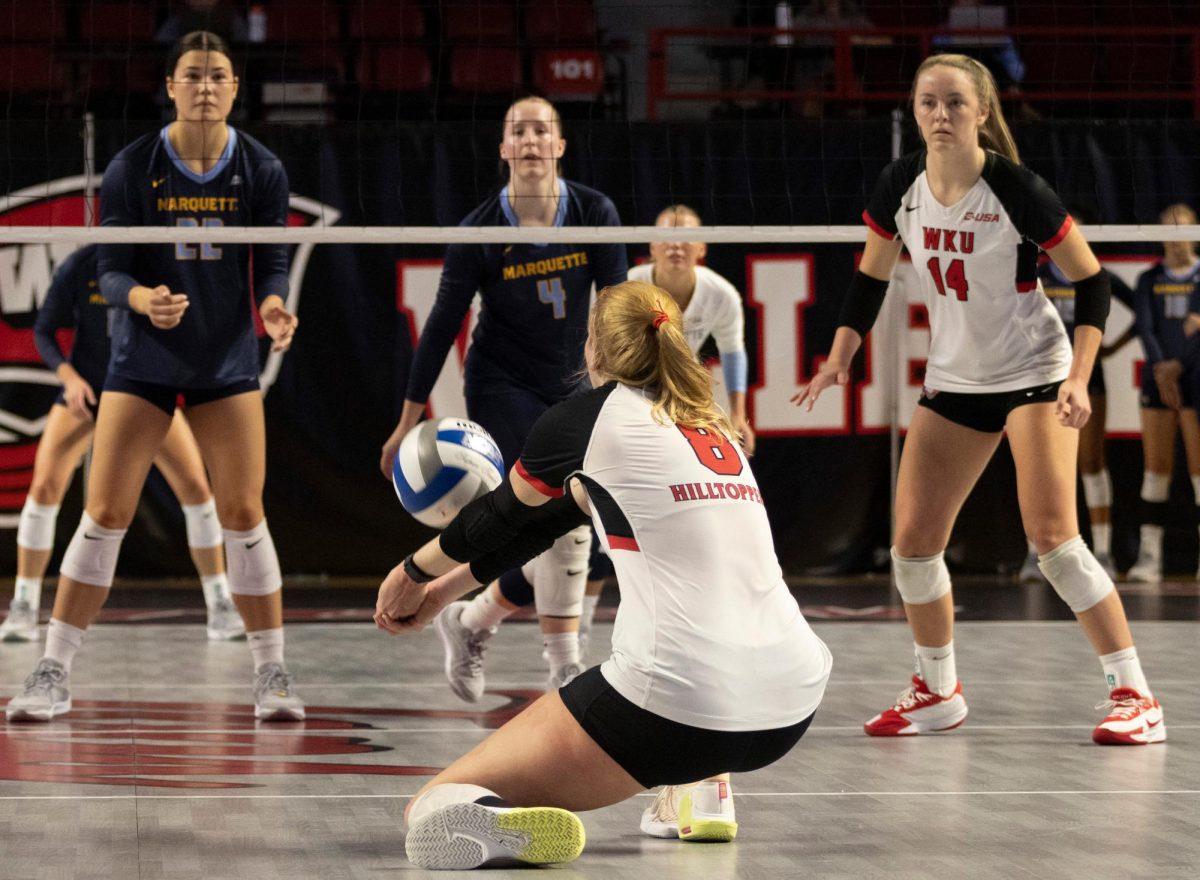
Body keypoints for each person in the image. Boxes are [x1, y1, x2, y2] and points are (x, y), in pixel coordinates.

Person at [374, 280, 832, 869]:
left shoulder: (587, 420)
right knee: (700, 667)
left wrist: (412, 570)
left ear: (592, 347)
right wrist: (441, 593)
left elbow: (499, 516)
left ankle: (497, 818)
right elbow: (543, 526)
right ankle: (699, 791)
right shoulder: (713, 426)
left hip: (671, 708)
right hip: (791, 703)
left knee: (433, 805)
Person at [795, 53, 1164, 745]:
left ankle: (1135, 695)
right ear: (914, 110)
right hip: (956, 379)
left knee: (1054, 542)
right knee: (912, 547)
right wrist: (839, 356)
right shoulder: (899, 183)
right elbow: (870, 279)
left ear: (982, 112)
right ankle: (937, 691)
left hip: (1035, 372)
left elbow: (1093, 283)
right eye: (928, 102)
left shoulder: (1016, 188)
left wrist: (1079, 376)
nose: (940, 114)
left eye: (955, 103)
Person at [6, 31, 303, 723]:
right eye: (192, 75)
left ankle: (273, 673)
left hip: (223, 360)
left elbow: (273, 262)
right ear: (170, 86)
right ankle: (52, 670)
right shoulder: (133, 166)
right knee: (105, 512)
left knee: (242, 512)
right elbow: (110, 269)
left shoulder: (261, 168)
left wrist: (272, 307)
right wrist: (141, 300)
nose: (205, 86)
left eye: (218, 75)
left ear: (235, 88)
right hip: (142, 360)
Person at [378, 96, 628, 698]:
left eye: (543, 130)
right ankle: (565, 667)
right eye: (520, 131)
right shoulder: (482, 228)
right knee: (558, 512)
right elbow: (442, 324)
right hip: (502, 382)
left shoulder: (594, 211)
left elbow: (618, 307)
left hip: (575, 379)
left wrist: (621, 393)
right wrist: (407, 419)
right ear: (504, 149)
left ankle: (471, 620)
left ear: (560, 145)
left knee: (572, 527)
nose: (532, 140)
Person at [0, 245, 243, 644]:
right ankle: (24, 603)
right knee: (43, 487)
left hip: (142, 392)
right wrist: (69, 378)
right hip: (89, 392)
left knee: (197, 490)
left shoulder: (162, 264)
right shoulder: (80, 265)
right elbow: (44, 330)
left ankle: (219, 601)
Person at [568, 204, 757, 646]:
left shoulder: (721, 295)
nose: (676, 246)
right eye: (666, 237)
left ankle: (706, 620)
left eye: (686, 237)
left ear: (703, 247)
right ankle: (578, 627)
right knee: (602, 515)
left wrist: (739, 415)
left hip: (677, 405)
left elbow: (734, 353)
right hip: (627, 400)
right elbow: (598, 351)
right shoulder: (629, 287)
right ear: (651, 246)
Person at [1016, 223, 1138, 581]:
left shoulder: (1095, 274)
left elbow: (1143, 310)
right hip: (1041, 379)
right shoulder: (1035, 273)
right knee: (1036, 465)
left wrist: (1111, 348)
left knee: (1091, 463)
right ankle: (1034, 554)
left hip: (1086, 378)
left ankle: (1102, 553)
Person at [1126, 204, 1200, 583]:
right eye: (1167, 230)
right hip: (1159, 380)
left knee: (1199, 472)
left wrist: (1180, 366)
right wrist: (1162, 369)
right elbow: (1146, 327)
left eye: (1182, 230)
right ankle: (1149, 556)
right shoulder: (1149, 278)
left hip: (1195, 377)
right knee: (1155, 471)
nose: (1175, 238)